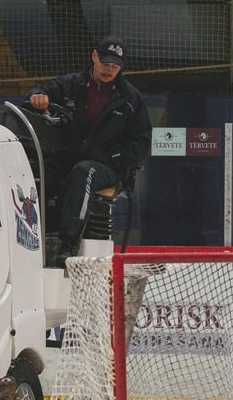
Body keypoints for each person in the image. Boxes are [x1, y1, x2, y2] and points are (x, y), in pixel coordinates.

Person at [27, 35, 152, 265]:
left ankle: (68, 243)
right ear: (94, 56)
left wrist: (112, 157)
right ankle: (33, 236)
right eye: (105, 63)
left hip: (107, 165)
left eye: (115, 66)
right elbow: (38, 93)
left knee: (85, 172)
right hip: (68, 157)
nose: (109, 70)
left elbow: (141, 142)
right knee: (36, 171)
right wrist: (38, 97)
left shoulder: (130, 98)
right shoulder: (71, 84)